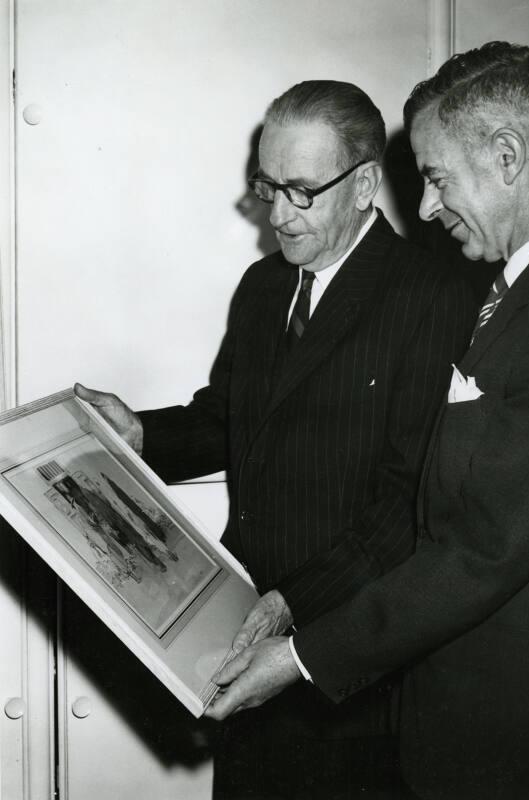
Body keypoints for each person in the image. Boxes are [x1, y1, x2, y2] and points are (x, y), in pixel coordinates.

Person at [206, 44, 529, 800]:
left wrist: (301, 656)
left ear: (507, 156)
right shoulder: (527, 289)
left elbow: (483, 548)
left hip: (527, 740)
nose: (422, 207)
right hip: (466, 719)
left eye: (436, 177)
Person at [76, 79, 475, 799]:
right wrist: (141, 431)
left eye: (301, 192)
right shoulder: (264, 286)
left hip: (348, 671)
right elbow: (228, 418)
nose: (279, 215)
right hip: (243, 632)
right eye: (268, 187)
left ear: (363, 187)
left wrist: (291, 603)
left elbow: (405, 505)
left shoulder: (432, 295)